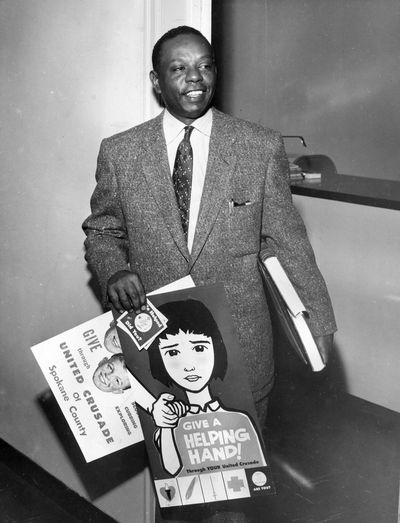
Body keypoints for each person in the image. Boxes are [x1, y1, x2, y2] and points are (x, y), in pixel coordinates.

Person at [83, 24, 336, 443]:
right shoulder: (120, 152)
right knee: (178, 486)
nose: (195, 78)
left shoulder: (258, 146)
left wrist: (318, 319)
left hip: (242, 347)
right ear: (157, 82)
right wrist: (112, 271)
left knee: (237, 486)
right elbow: (102, 231)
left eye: (204, 66)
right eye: (178, 68)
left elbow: (287, 241)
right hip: (157, 352)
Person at [147, 299, 266, 478]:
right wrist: (165, 427)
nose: (189, 366)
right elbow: (172, 470)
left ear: (216, 348)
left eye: (199, 348)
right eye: (172, 353)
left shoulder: (240, 420)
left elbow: (256, 474)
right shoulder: (168, 426)